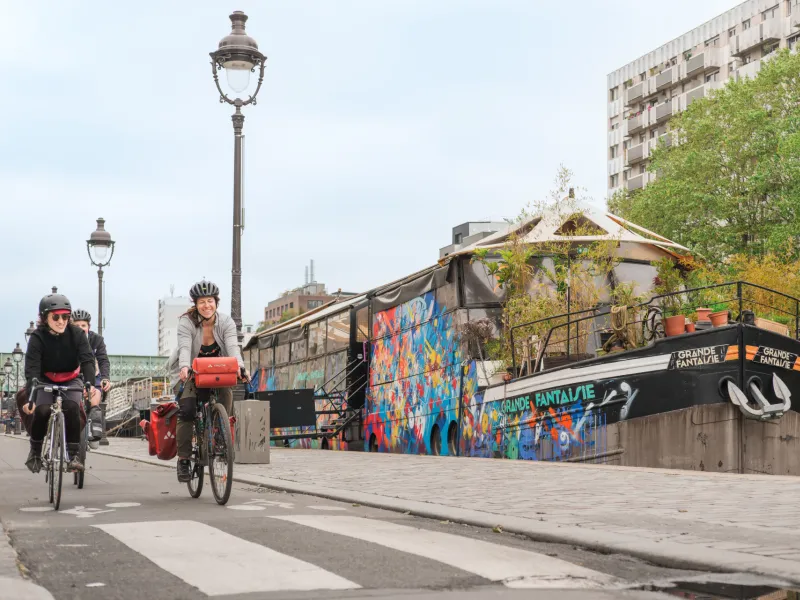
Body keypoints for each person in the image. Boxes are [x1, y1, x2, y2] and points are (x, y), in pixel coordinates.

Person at [168, 280, 248, 482]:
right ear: (195, 304)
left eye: (210, 301)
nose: (206, 306)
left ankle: (220, 435)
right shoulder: (186, 322)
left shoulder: (226, 322)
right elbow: (185, 347)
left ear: (216, 302)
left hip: (214, 372)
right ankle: (184, 459)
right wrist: (185, 366)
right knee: (186, 410)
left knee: (226, 392)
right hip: (190, 372)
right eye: (202, 302)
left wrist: (240, 367)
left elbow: (233, 348)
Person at [23, 293, 96, 473]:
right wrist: (30, 397)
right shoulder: (37, 338)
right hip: (45, 378)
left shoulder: (77, 334)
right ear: (44, 318)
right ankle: (35, 452)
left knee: (72, 407)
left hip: (71, 377)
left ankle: (73, 456)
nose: (61, 321)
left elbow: (87, 360)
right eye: (55, 317)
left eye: (65, 316)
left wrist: (90, 384)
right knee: (42, 410)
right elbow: (32, 370)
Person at [71, 309, 111, 441]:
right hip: (72, 376)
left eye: (83, 325)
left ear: (89, 327)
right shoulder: (66, 339)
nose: (81, 329)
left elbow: (103, 360)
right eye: (77, 326)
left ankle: (96, 431)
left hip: (93, 375)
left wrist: (105, 378)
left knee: (94, 400)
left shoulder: (97, 340)